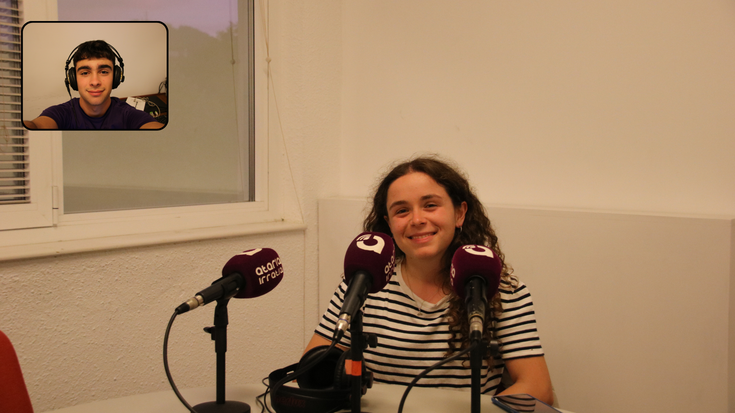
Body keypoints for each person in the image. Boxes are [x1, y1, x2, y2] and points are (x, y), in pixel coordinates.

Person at [306, 155, 554, 404]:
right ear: (389, 224)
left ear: (459, 213)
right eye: (402, 211)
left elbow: (537, 388)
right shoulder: (364, 282)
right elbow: (313, 368)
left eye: (430, 205)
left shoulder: (498, 288)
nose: (417, 220)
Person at [23, 40, 164, 130]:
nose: (95, 82)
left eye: (104, 72)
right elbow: (36, 126)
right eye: (85, 73)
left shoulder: (129, 115)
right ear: (72, 79)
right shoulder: (59, 114)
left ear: (116, 77)